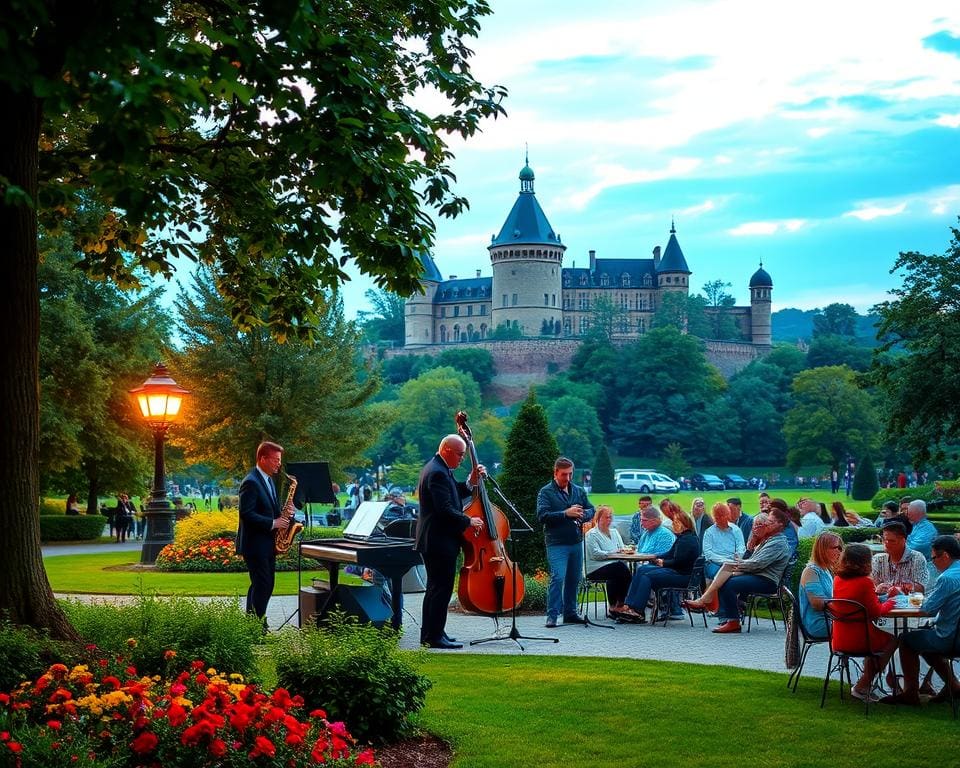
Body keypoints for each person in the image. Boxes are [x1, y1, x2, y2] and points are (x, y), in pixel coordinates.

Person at [415, 434, 484, 649]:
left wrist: (471, 482)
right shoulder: (437, 473)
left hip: (436, 539)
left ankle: (433, 632)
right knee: (440, 589)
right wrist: (468, 520)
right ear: (446, 450)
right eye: (460, 454)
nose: (463, 458)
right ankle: (433, 636)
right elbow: (444, 509)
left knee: (435, 588)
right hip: (439, 540)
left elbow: (453, 493)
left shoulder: (439, 469)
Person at [682, 507, 793, 634]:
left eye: (770, 522)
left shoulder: (778, 542)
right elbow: (751, 558)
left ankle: (729, 619)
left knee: (728, 582)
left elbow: (757, 564)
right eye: (767, 520)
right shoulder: (768, 539)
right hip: (757, 574)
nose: (766, 523)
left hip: (767, 580)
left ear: (780, 525)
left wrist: (737, 564)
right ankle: (713, 606)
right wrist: (754, 540)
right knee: (726, 572)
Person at [884, 535, 960, 705]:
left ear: (945, 555)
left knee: (907, 640)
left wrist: (904, 598)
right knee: (924, 639)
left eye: (934, 558)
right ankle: (953, 686)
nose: (933, 562)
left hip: (950, 638)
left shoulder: (948, 578)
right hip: (954, 636)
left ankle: (910, 693)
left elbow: (928, 609)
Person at [831, 543, 899, 703]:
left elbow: (860, 603)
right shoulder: (865, 583)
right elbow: (876, 611)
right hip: (861, 640)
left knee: (882, 637)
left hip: (840, 638)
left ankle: (867, 684)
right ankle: (864, 684)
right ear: (866, 562)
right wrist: (893, 601)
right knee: (896, 637)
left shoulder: (838, 579)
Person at [537, 456, 595, 628]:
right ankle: (552, 615)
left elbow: (592, 509)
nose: (568, 478)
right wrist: (565, 513)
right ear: (555, 473)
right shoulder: (545, 492)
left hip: (576, 541)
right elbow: (542, 516)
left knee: (574, 578)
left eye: (570, 474)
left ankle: (570, 613)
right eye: (564, 475)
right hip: (556, 543)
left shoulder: (578, 491)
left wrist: (583, 515)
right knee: (558, 577)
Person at [236, 440, 291, 622]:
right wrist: (274, 523)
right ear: (262, 458)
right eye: (275, 459)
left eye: (279, 460)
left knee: (262, 585)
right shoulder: (251, 482)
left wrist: (287, 515)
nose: (279, 464)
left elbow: (271, 510)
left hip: (266, 544)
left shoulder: (267, 480)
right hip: (256, 544)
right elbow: (246, 513)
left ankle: (253, 623)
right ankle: (257, 625)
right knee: (263, 584)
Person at [615, 508, 700, 622]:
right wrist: (656, 557)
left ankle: (638, 610)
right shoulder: (683, 537)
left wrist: (663, 563)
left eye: (675, 522)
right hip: (678, 572)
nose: (673, 525)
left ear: (683, 524)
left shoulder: (687, 540)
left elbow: (679, 561)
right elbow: (670, 554)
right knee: (642, 569)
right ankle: (629, 605)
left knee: (648, 576)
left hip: (682, 576)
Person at [584, 505, 632, 613]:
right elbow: (595, 554)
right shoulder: (591, 535)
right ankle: (618, 605)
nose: (609, 520)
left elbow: (622, 548)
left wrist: (627, 550)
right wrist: (613, 553)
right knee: (618, 568)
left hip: (614, 566)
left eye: (610, 517)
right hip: (594, 568)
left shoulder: (615, 532)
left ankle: (618, 604)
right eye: (606, 517)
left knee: (620, 569)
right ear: (598, 518)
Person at [798, 531, 843, 639]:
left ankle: (846, 654)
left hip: (830, 619)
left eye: (840, 548)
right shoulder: (811, 571)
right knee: (862, 628)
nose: (839, 552)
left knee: (864, 626)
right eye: (835, 548)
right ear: (822, 550)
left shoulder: (826, 570)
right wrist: (844, 607)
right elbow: (818, 604)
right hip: (819, 624)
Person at [871, 521, 929, 595]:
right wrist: (878, 588)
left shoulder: (916, 558)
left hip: (905, 604)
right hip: (882, 603)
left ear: (903, 541)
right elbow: (871, 585)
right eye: (884, 539)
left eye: (892, 541)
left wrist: (898, 590)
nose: (887, 544)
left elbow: (921, 588)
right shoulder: (878, 559)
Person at [701, 502, 745, 580]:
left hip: (733, 561)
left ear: (727, 515)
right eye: (717, 517)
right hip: (714, 563)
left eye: (722, 516)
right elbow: (708, 553)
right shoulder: (709, 532)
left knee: (737, 576)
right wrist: (725, 561)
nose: (719, 520)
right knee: (718, 574)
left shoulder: (736, 530)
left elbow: (741, 546)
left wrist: (738, 556)